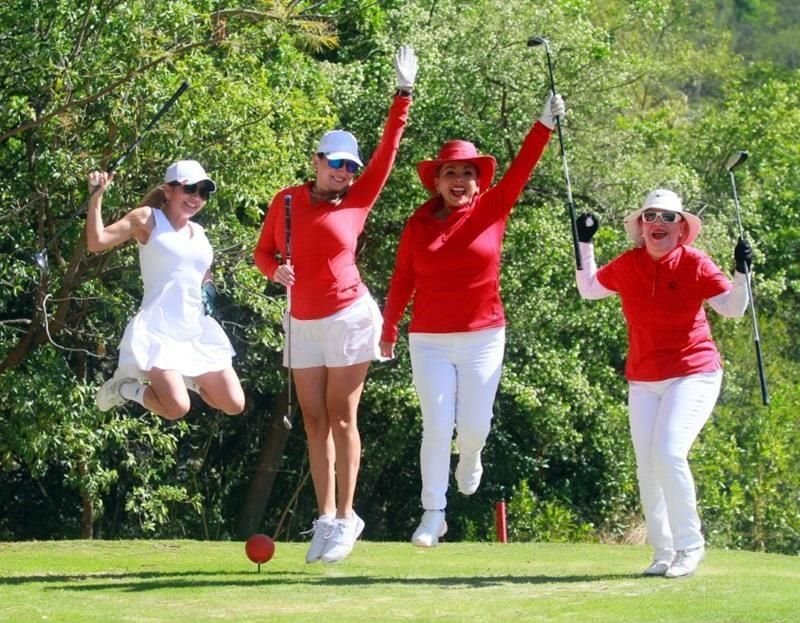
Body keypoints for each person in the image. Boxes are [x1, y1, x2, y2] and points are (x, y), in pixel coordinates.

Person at [253, 46, 418, 564]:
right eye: (337, 163)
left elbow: (390, 152)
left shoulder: (358, 199)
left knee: (342, 417)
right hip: (302, 320)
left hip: (348, 316)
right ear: (317, 162)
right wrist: (273, 270)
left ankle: (347, 517)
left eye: (351, 166)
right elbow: (263, 252)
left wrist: (403, 97)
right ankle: (325, 518)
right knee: (312, 419)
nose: (345, 172)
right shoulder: (285, 200)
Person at [379, 93, 566, 548]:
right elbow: (403, 279)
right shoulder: (418, 225)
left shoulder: (492, 209)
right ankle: (433, 514)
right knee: (437, 424)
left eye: (467, 172)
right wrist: (388, 330)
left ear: (478, 182)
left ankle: (472, 457)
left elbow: (522, 167)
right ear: (437, 182)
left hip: (483, 336)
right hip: (429, 340)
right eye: (450, 172)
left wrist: (543, 123)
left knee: (473, 427)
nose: (459, 179)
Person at [574, 188, 752, 578]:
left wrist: (742, 272)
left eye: (668, 217)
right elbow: (589, 289)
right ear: (640, 226)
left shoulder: (696, 263)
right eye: (651, 216)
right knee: (647, 466)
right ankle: (663, 551)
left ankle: (691, 547)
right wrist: (584, 244)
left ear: (682, 228)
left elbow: (734, 310)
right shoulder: (628, 264)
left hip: (694, 372)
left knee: (669, 453)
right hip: (643, 378)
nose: (658, 223)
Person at [87, 160, 245, 419]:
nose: (196, 197)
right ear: (168, 191)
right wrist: (96, 198)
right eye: (190, 189)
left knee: (233, 403)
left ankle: (187, 377)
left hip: (194, 329)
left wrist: (208, 288)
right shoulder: (148, 219)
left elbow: (202, 271)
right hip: (158, 332)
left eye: (203, 192)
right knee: (176, 408)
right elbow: (96, 242)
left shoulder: (199, 233)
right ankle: (125, 388)